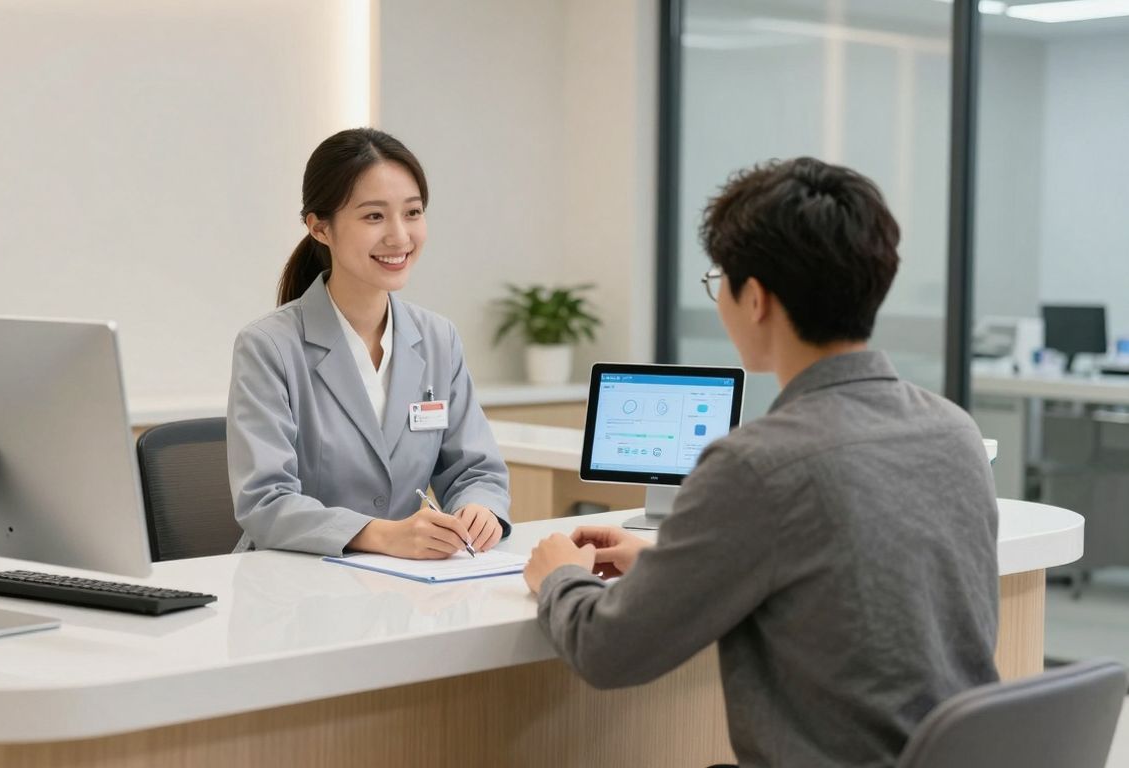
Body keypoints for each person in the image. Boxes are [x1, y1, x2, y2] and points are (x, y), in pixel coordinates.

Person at [522, 157, 1000, 767]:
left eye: (719, 278)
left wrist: (560, 575)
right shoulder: (953, 431)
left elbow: (608, 652)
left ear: (755, 299)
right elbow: (849, 593)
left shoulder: (756, 465)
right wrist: (673, 567)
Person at [226, 127, 510, 558]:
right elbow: (265, 502)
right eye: (374, 216)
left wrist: (479, 509)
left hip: (404, 586)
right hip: (290, 590)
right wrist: (381, 535)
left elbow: (475, 469)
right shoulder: (268, 346)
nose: (399, 236)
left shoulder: (438, 339)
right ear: (320, 228)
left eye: (412, 213)